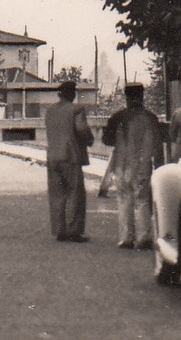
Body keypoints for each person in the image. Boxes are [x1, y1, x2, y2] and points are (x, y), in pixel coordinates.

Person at [103, 84, 163, 249]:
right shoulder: (151, 118)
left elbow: (106, 140)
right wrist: (159, 165)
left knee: (123, 200)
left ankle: (126, 238)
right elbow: (158, 145)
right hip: (143, 165)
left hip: (122, 165)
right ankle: (144, 237)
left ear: (126, 97)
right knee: (142, 200)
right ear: (142, 96)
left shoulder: (117, 117)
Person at [44, 80, 94, 242]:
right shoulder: (76, 110)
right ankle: (73, 230)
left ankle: (60, 230)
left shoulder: (50, 111)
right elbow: (81, 128)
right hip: (70, 156)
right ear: (72, 94)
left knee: (57, 194)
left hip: (53, 156)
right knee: (74, 193)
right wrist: (89, 139)